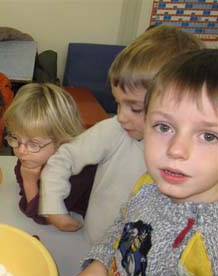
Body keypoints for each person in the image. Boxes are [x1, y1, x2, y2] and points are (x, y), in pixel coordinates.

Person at [59, 48, 218, 276]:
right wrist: (100, 263)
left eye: (209, 135)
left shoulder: (210, 252)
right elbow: (124, 226)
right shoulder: (150, 183)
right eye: (164, 126)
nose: (175, 150)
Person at [40, 25, 204, 243]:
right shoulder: (114, 131)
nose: (121, 117)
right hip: (97, 244)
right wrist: (53, 205)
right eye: (118, 103)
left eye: (135, 108)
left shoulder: (196, 157)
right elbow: (64, 158)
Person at [3, 83, 96, 228]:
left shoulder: (77, 171)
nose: (21, 151)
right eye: (15, 138)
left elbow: (46, 218)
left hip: (89, 222)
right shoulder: (32, 153)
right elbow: (20, 181)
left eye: (33, 143)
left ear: (62, 142)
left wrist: (29, 182)